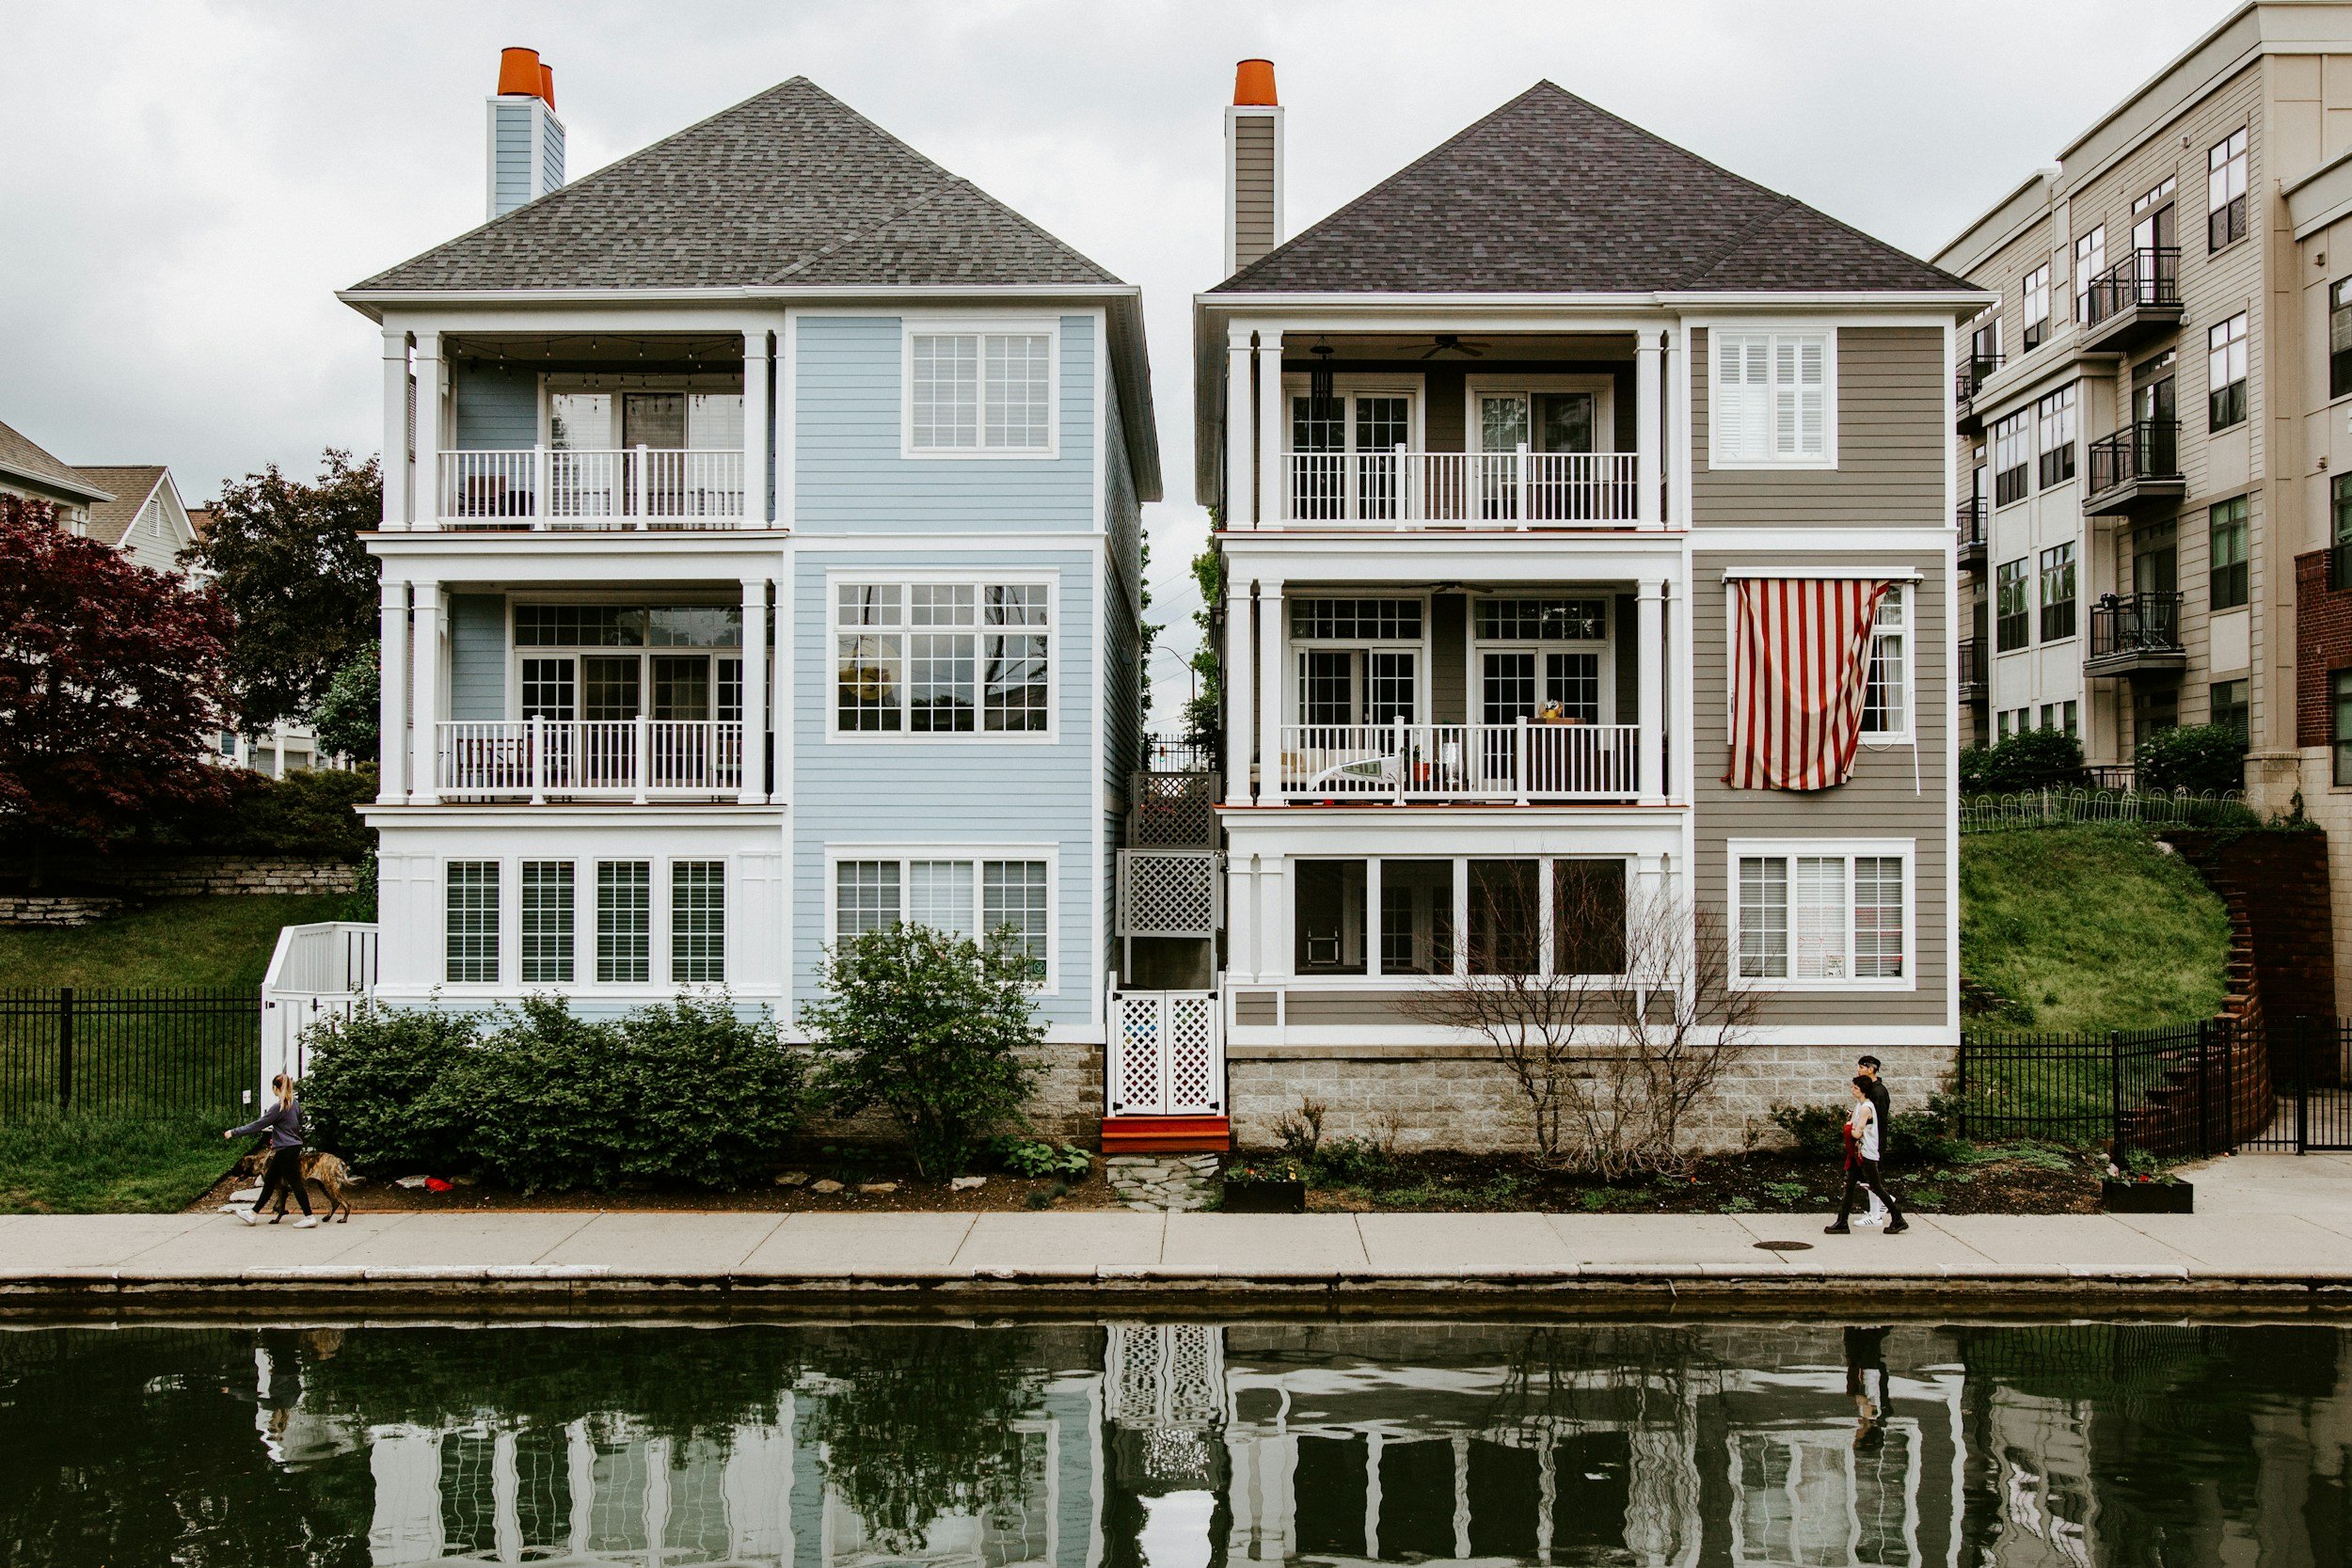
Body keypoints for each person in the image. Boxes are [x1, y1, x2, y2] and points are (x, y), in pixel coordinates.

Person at [226, 1074, 318, 1227]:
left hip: (285, 1149)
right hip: (292, 1147)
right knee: (269, 1180)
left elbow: (258, 1125)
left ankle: (309, 1217)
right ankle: (252, 1214)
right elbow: (301, 1122)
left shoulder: (279, 1107)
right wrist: (283, 1131)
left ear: (276, 1088)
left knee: (295, 1182)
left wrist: (234, 1132)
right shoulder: (295, 1104)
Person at [1826, 1076, 1907, 1235]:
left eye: (1855, 1088)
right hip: (1858, 1153)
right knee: (1849, 1186)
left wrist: (1848, 1127)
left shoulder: (1866, 1108)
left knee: (1876, 1187)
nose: (1853, 1090)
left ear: (1863, 1090)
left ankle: (1898, 1218)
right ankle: (1842, 1222)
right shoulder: (1860, 1105)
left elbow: (1857, 1133)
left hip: (1866, 1153)